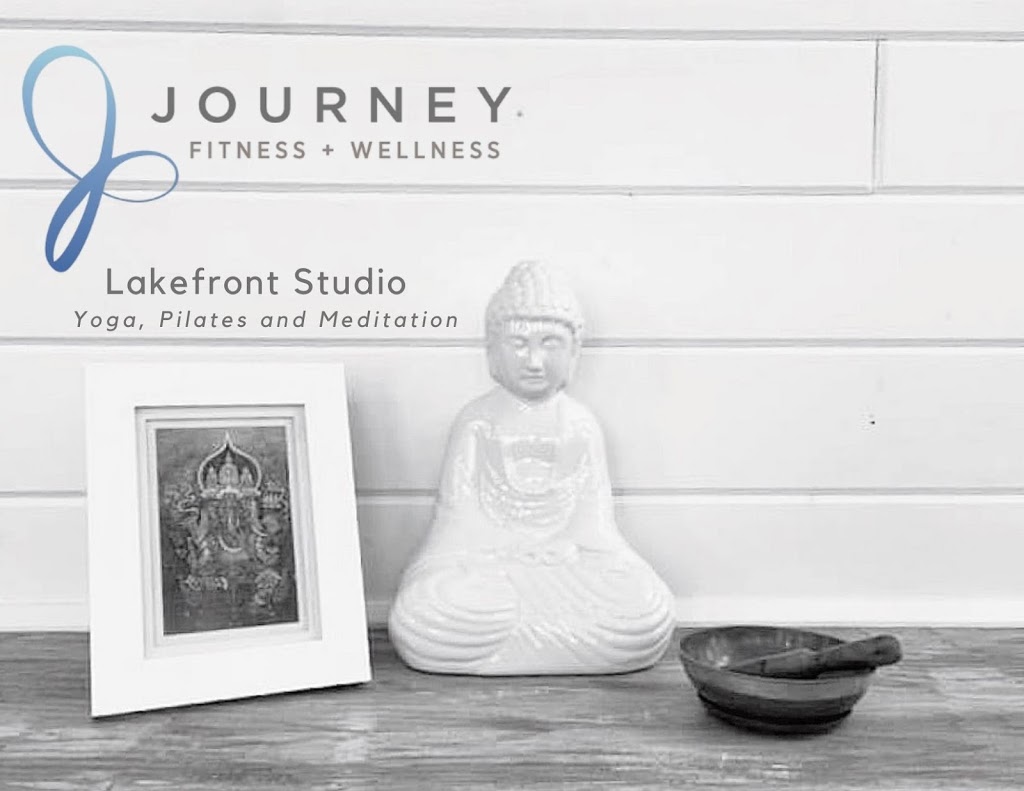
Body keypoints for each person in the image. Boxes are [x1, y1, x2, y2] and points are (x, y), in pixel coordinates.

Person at [388, 262, 675, 675]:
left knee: (646, 608)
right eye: (519, 344)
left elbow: (596, 526)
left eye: (551, 344)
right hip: (489, 566)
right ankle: (559, 637)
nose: (535, 361)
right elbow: (457, 521)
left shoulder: (581, 425)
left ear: (574, 351)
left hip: (567, 566)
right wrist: (506, 553)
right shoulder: (476, 422)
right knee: (423, 612)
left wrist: (563, 550)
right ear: (492, 350)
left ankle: (514, 635)